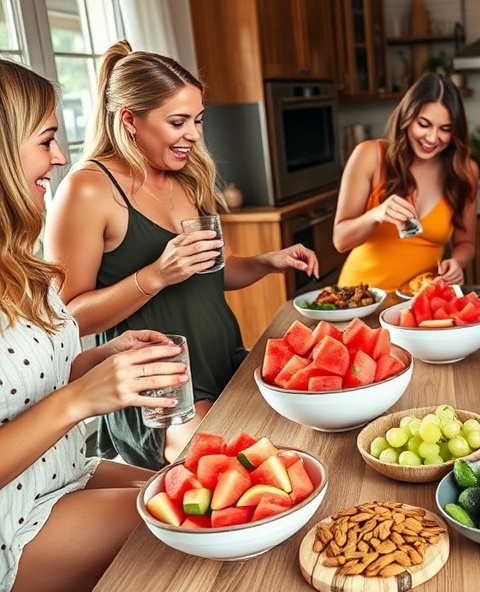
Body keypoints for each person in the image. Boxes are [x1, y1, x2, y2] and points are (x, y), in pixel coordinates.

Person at [43, 41, 319, 470]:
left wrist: (267, 261)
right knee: (238, 476)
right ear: (130, 120)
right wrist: (155, 275)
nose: (193, 134)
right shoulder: (89, 188)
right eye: (178, 122)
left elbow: (210, 272)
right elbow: (68, 318)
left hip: (225, 357)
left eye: (198, 120)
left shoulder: (187, 175)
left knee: (306, 444)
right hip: (161, 392)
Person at [0, 58, 191, 592]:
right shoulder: (90, 190)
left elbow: (27, 382)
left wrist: (99, 361)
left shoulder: (22, 264)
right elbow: (61, 401)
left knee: (189, 485)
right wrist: (82, 398)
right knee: (185, 524)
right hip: (13, 517)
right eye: (46, 140)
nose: (60, 158)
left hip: (63, 472)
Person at [334, 72, 478, 292]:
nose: (432, 138)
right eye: (424, 124)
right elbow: (341, 239)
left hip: (420, 299)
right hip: (362, 297)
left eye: (445, 129)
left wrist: (457, 262)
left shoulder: (465, 171)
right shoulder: (370, 155)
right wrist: (376, 214)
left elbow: (465, 243)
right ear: (406, 117)